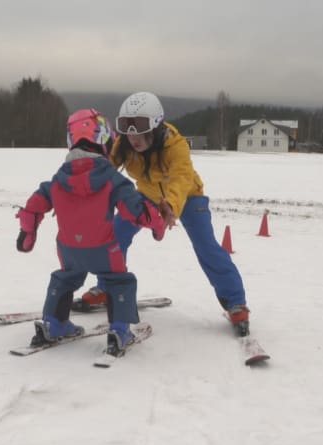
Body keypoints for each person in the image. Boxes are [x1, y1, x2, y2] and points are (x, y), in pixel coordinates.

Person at [77, 92, 252, 336]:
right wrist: (83, 191)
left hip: (188, 197)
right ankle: (106, 287)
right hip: (147, 195)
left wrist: (170, 205)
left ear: (155, 125)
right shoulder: (124, 144)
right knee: (115, 234)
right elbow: (104, 170)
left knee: (207, 247)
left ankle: (235, 302)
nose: (132, 135)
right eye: (126, 126)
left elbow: (181, 177)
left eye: (138, 127)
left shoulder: (175, 145)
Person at [15, 108, 167, 355]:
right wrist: (158, 226)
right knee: (119, 281)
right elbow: (137, 209)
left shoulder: (58, 179)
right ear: (106, 140)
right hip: (104, 249)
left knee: (65, 278)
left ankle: (53, 323)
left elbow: (34, 205)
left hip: (68, 250)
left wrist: (27, 234)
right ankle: (119, 329)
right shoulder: (111, 178)